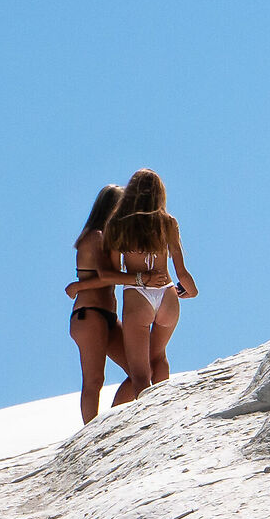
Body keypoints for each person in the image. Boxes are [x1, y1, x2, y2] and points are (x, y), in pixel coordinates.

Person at [99, 168, 198, 406]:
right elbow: (182, 273)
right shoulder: (168, 223)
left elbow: (111, 275)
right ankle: (164, 409)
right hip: (168, 294)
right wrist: (190, 291)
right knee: (159, 357)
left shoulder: (118, 225)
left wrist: (140, 280)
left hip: (137, 297)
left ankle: (149, 416)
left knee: (140, 374)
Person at [67, 183, 141, 423]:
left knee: (139, 371)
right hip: (89, 314)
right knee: (94, 380)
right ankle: (91, 432)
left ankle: (109, 424)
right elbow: (105, 276)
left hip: (107, 315)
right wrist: (139, 279)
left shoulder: (108, 239)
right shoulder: (95, 236)